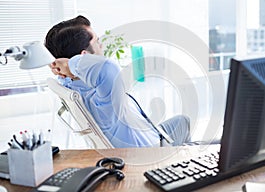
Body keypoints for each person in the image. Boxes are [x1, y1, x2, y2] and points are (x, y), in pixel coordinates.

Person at [44, 16, 191, 148]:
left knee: (182, 121)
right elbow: (108, 67)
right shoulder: (101, 97)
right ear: (84, 56)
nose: (101, 46)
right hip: (152, 150)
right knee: (203, 143)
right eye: (97, 42)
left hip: (151, 134)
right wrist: (71, 65)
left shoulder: (69, 82)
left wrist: (64, 67)